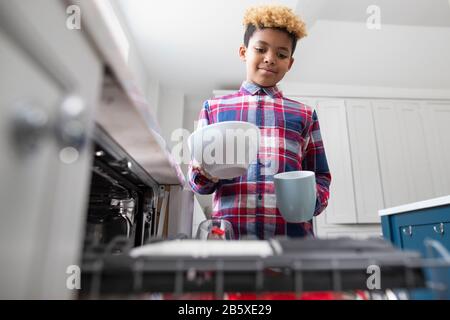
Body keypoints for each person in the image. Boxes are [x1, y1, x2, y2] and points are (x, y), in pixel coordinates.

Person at [188, 4, 331, 240]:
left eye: (281, 54)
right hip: (230, 242)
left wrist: (310, 202)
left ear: (290, 63)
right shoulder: (213, 108)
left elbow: (321, 175)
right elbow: (198, 183)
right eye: (261, 49)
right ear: (244, 52)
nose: (270, 59)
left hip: (292, 242)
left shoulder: (305, 114)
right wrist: (206, 174)